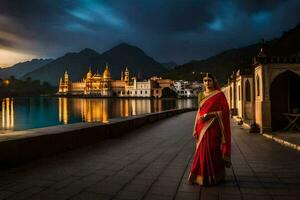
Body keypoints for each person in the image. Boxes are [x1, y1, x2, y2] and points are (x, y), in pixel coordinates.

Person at [188, 73, 231, 186]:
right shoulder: (201, 95)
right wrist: (194, 128)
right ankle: (199, 176)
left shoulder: (219, 95)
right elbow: (198, 112)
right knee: (201, 151)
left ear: (213, 82)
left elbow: (226, 111)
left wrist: (211, 114)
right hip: (201, 126)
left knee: (213, 150)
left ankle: (216, 176)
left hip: (213, 126)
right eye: (205, 80)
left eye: (209, 80)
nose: (207, 83)